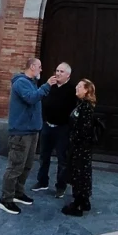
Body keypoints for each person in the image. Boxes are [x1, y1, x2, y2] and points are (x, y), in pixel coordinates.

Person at [0, 58, 58, 215]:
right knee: (15, 166)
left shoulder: (31, 82)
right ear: (32, 67)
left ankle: (18, 192)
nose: (41, 70)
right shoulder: (21, 83)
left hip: (31, 131)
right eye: (39, 66)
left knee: (27, 165)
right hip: (20, 132)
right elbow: (31, 98)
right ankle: (6, 199)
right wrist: (47, 86)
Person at [33, 62, 76, 199]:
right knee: (43, 156)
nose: (57, 73)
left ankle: (60, 186)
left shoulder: (72, 90)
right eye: (57, 70)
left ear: (68, 75)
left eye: (61, 71)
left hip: (62, 129)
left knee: (62, 159)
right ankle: (42, 181)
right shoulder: (49, 86)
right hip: (47, 126)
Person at [62, 79, 97, 217]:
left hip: (81, 148)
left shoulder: (86, 107)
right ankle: (84, 200)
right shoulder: (81, 104)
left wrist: (74, 140)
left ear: (86, 90)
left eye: (80, 86)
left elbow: (83, 129)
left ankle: (78, 204)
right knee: (81, 173)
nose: (76, 87)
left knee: (79, 174)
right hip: (79, 147)